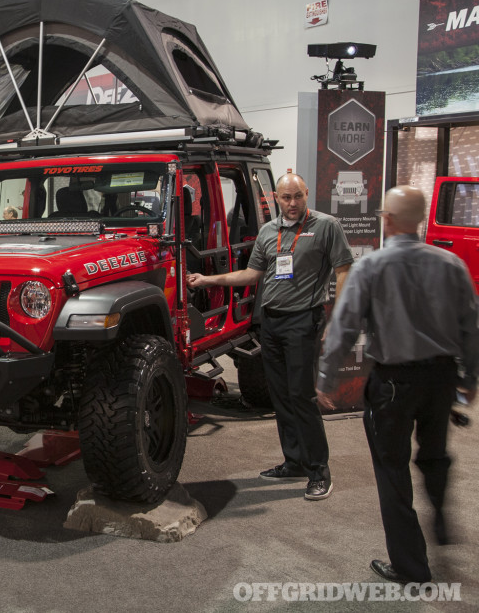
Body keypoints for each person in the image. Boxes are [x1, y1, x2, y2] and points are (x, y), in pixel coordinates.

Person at [317, 185, 478, 584]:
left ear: (386, 219)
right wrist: (469, 380)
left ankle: (411, 566)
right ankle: (439, 514)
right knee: (434, 454)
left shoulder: (371, 267)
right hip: (440, 380)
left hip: (392, 383)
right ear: (421, 219)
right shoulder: (452, 264)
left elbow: (344, 326)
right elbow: (471, 328)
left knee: (392, 471)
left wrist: (326, 377)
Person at [187, 172, 353, 501]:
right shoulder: (268, 231)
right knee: (280, 395)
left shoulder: (325, 226)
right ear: (276, 198)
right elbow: (252, 273)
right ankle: (294, 461)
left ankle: (319, 469)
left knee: (302, 396)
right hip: (272, 323)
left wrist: (337, 318)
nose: (292, 204)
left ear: (307, 194)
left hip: (304, 321)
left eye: (298, 197)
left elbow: (344, 268)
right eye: (286, 198)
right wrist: (209, 281)